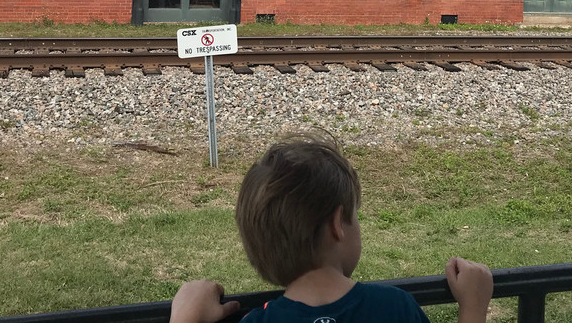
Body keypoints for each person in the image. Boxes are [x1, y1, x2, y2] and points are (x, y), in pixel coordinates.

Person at [170, 135, 492, 323]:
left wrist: (184, 319)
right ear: (338, 224)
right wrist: (473, 307)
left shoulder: (258, 321)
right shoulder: (394, 308)